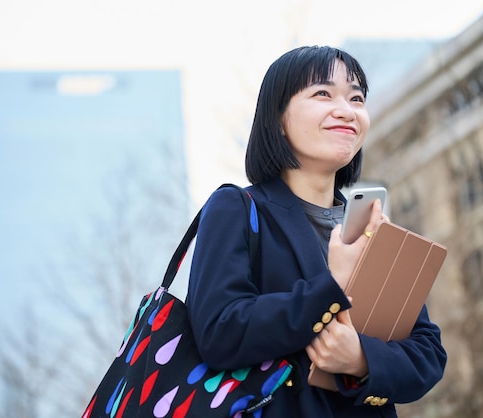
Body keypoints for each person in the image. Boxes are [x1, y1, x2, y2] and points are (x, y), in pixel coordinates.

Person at [185, 46, 446, 417]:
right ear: (277, 118)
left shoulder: (370, 226)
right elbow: (219, 332)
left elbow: (428, 354)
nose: (346, 109)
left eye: (356, 98)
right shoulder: (236, 209)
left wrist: (359, 359)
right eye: (323, 93)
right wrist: (332, 286)